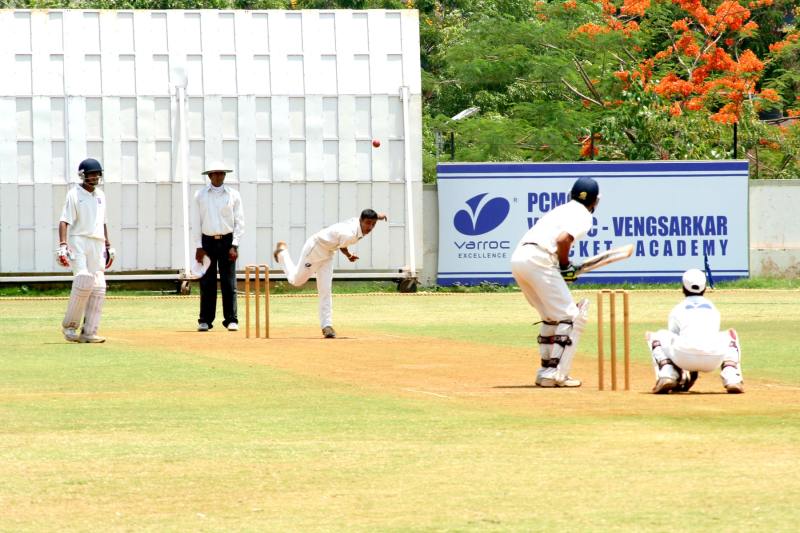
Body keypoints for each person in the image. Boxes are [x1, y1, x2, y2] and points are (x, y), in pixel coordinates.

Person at [509, 177, 600, 387]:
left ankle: (545, 371)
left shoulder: (561, 209)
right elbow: (562, 240)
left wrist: (563, 266)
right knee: (572, 316)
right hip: (539, 259)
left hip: (520, 257)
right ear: (595, 201)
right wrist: (565, 266)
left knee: (551, 317)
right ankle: (557, 373)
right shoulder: (584, 216)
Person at [273, 209, 388, 338]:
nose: (370, 227)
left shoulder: (360, 221)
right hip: (315, 249)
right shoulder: (349, 234)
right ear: (360, 220)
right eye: (368, 223)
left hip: (328, 254)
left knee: (325, 289)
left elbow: (371, 216)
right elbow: (343, 247)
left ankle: (326, 326)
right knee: (296, 281)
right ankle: (282, 253)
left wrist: (379, 216)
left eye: (373, 224)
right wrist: (349, 256)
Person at [645, 269, 744, 394]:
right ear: (705, 288)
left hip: (683, 358)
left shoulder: (678, 309)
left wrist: (687, 369)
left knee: (656, 335)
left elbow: (675, 338)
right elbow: (706, 336)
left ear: (683, 288)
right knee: (730, 334)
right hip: (713, 359)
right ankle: (731, 377)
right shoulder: (713, 309)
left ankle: (667, 374)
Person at [57, 158, 112, 343]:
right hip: (79, 240)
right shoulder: (74, 194)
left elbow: (103, 222)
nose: (95, 177)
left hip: (97, 242)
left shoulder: (101, 195)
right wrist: (63, 245)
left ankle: (89, 332)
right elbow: (64, 220)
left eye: (97, 173)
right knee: (83, 280)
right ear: (83, 175)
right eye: (91, 174)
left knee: (99, 285)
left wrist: (108, 245)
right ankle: (70, 328)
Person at [191, 162, 245, 332]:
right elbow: (195, 222)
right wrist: (199, 246)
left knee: (229, 281)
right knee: (207, 282)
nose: (218, 177)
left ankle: (231, 319)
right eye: (214, 174)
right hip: (207, 242)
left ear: (224, 175)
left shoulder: (233, 195)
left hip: (227, 241)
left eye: (221, 173)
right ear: (209, 176)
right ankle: (205, 320)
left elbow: (239, 221)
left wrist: (234, 244)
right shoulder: (200, 195)